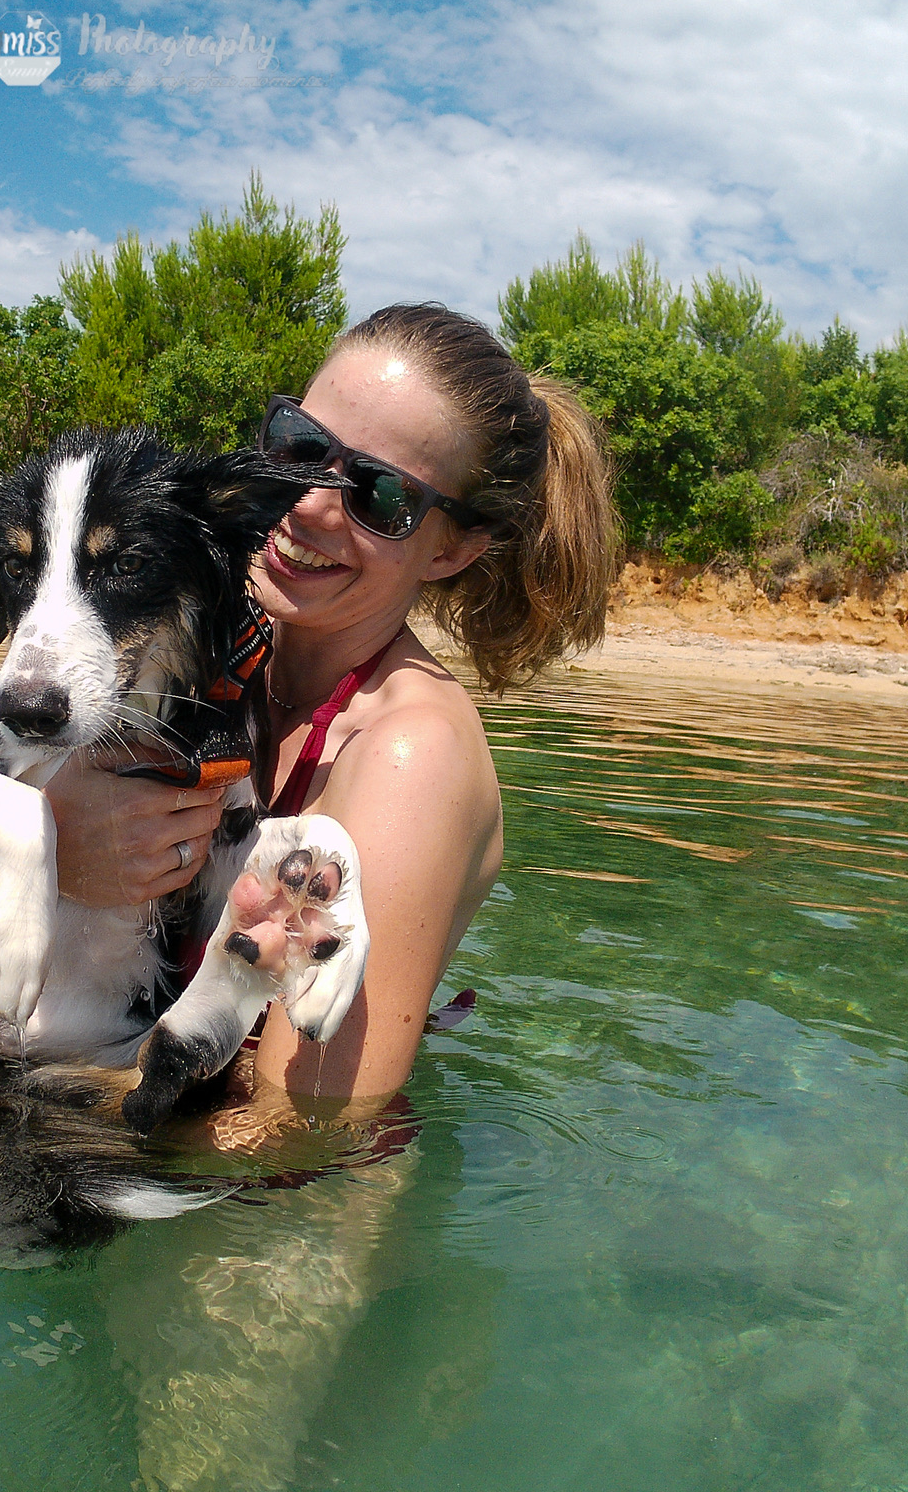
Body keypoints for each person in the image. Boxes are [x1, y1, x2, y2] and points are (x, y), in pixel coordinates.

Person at [31, 301, 620, 1112]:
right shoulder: (206, 643)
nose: (307, 503)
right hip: (123, 1089)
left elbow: (295, 1125)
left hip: (251, 1201)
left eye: (380, 495)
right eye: (300, 448)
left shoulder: (409, 754)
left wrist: (1, 1108)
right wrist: (56, 838)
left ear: (449, 549)